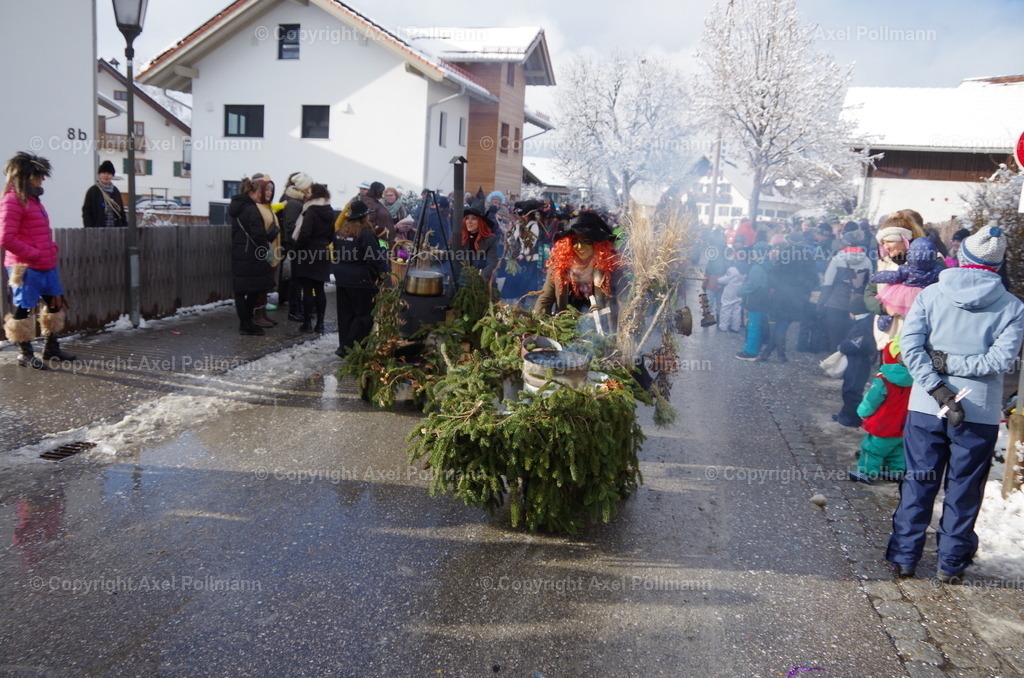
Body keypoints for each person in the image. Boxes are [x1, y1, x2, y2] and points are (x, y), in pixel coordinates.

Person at [885, 225, 1024, 583]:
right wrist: (954, 366)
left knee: (918, 481)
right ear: (997, 264)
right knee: (964, 487)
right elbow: (999, 360)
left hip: (926, 406)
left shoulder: (931, 295)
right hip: (978, 409)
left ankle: (904, 557)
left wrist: (937, 382)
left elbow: (910, 349)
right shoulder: (1012, 306)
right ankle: (950, 563)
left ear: (962, 255)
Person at [1, 152, 77, 369]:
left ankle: (51, 348)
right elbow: (6, 238)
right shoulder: (12, 200)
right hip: (25, 266)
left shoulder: (33, 199)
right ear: (26, 176)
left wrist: (50, 249)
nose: (42, 179)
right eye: (39, 175)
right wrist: (34, 253)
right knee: (23, 308)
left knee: (54, 304)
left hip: (45, 263)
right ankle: (24, 353)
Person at [534, 211, 621, 330]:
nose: (580, 247)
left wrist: (623, 332)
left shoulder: (610, 266)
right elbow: (545, 299)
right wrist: (539, 327)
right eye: (575, 242)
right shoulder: (560, 266)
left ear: (597, 245)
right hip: (568, 325)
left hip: (601, 327)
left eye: (586, 242)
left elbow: (623, 299)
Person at [849, 339, 911, 484]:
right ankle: (897, 471)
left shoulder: (883, 379)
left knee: (871, 449)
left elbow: (871, 401)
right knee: (897, 449)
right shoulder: (916, 378)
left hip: (883, 424)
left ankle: (866, 472)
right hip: (904, 424)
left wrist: (862, 412)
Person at [333, 200, 386, 358]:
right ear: (364, 216)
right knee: (364, 315)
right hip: (360, 278)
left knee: (345, 314)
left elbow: (336, 253)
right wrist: (381, 274)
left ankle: (345, 345)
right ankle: (349, 347)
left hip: (342, 276)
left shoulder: (340, 232)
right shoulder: (366, 233)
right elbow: (374, 257)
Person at [228, 174, 276, 336]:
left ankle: (245, 323)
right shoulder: (251, 209)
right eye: (259, 193)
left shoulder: (236, 207)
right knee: (254, 290)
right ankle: (247, 324)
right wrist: (268, 238)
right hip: (253, 256)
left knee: (241, 291)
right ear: (253, 192)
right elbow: (258, 235)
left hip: (239, 254)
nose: (260, 195)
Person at [759, 233, 817, 362]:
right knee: (784, 324)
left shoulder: (785, 253)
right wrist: (804, 291)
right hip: (798, 297)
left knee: (780, 325)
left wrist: (779, 287)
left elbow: (773, 275)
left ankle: (779, 355)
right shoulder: (808, 256)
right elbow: (814, 279)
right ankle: (770, 353)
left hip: (782, 294)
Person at [818, 222, 871, 350]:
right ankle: (847, 364)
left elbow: (828, 282)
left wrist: (821, 302)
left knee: (835, 336)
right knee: (851, 336)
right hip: (857, 304)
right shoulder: (867, 261)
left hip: (835, 302)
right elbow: (869, 284)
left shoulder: (837, 258)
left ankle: (834, 363)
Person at [869, 237, 941, 331]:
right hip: (925, 295)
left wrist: (876, 277)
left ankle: (885, 319)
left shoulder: (907, 270)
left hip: (905, 294)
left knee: (893, 305)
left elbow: (893, 276)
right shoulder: (937, 270)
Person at [292, 183, 334, 334]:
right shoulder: (329, 211)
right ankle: (320, 324)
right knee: (320, 289)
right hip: (323, 252)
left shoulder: (311, 211)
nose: (306, 194)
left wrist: (297, 248)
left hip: (308, 252)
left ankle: (307, 323)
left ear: (314, 194)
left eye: (309, 192)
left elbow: (305, 234)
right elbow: (332, 236)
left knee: (308, 290)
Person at [833, 296, 876, 427]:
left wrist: (842, 346)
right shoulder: (868, 322)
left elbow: (857, 344)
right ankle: (846, 414)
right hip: (860, 361)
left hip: (858, 362)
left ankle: (850, 417)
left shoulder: (862, 326)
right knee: (852, 388)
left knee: (851, 389)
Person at [279, 171, 313, 322]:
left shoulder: (297, 201)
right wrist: (298, 245)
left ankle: (298, 309)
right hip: (294, 248)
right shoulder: (294, 203)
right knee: (295, 280)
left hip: (297, 247)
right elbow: (291, 227)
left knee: (297, 280)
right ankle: (294, 310)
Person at [249, 173, 280, 328]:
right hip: (263, 254)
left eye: (271, 190)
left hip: (272, 254)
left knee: (266, 285)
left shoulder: (269, 208)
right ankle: (257, 315)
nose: (269, 193)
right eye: (266, 190)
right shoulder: (258, 208)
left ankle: (263, 313)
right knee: (260, 286)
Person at [735, 241, 770, 360]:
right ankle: (755, 348)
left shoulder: (758, 266)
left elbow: (753, 284)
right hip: (764, 299)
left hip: (756, 300)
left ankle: (750, 352)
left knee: (753, 326)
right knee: (758, 325)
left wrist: (740, 291)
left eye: (754, 251)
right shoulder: (767, 263)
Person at [455, 207, 500, 284]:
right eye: (467, 218)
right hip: (461, 283)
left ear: (480, 222)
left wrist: (479, 279)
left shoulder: (490, 239)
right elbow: (445, 254)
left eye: (473, 218)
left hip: (482, 283)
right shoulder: (460, 238)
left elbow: (492, 263)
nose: (469, 221)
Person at [81, 160, 126, 228]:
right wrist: (89, 228)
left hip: (116, 231)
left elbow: (121, 211)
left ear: (112, 175)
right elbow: (87, 212)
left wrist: (124, 227)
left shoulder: (115, 191)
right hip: (98, 231)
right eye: (104, 173)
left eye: (109, 173)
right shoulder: (93, 191)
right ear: (99, 174)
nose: (106, 175)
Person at [716, 250, 746, 334]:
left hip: (730, 290)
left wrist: (718, 280)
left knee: (726, 307)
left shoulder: (733, 269)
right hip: (740, 291)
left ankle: (723, 326)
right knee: (737, 308)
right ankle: (735, 327)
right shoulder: (746, 269)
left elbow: (724, 280)